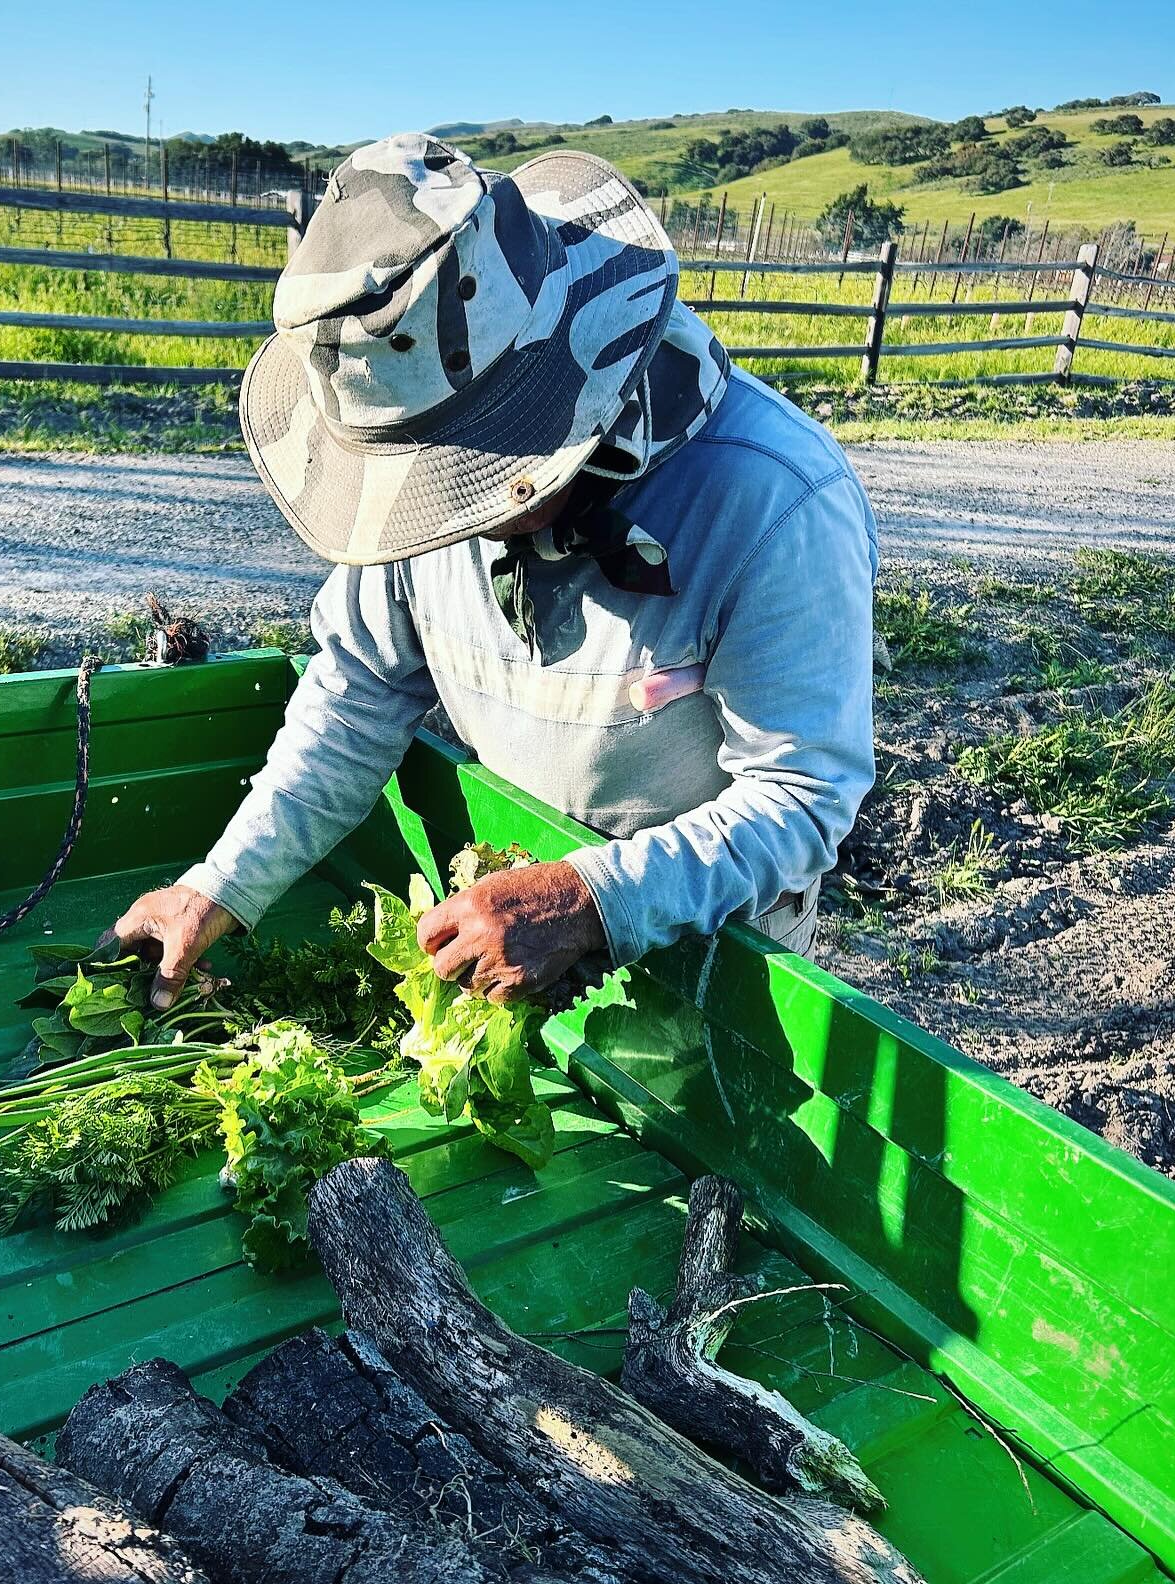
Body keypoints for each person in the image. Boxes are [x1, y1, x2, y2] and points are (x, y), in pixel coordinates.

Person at [109, 133, 877, 1008]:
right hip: (511, 932)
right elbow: (359, 689)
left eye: (458, 466)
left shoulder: (773, 501)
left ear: (558, 400)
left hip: (712, 946)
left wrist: (592, 898)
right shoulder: (413, 460)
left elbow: (802, 794)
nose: (440, 509)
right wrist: (220, 886)